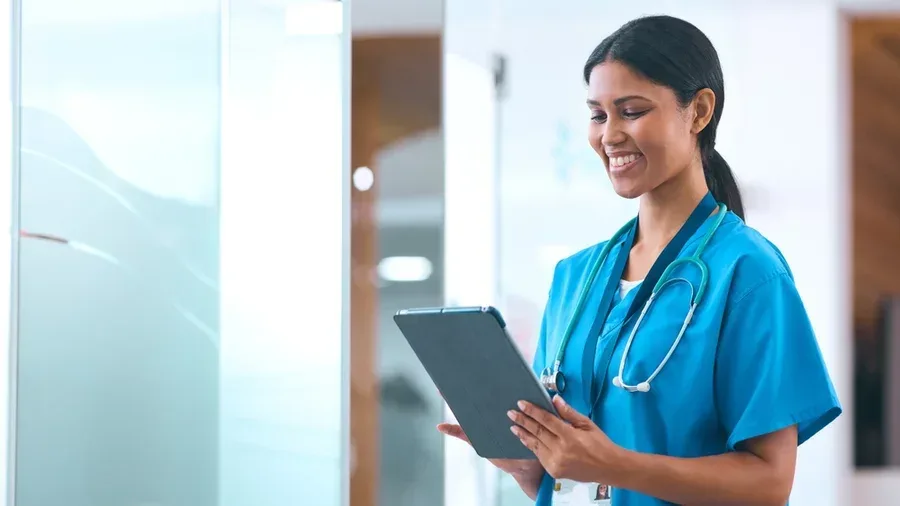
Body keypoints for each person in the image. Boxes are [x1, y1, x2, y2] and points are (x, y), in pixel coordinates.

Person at [438, 14, 842, 506]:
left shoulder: (749, 273)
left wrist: (609, 464)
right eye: (598, 114)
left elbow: (769, 484)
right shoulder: (574, 279)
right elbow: (577, 481)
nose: (609, 135)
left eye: (630, 110)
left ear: (698, 112)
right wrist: (535, 468)